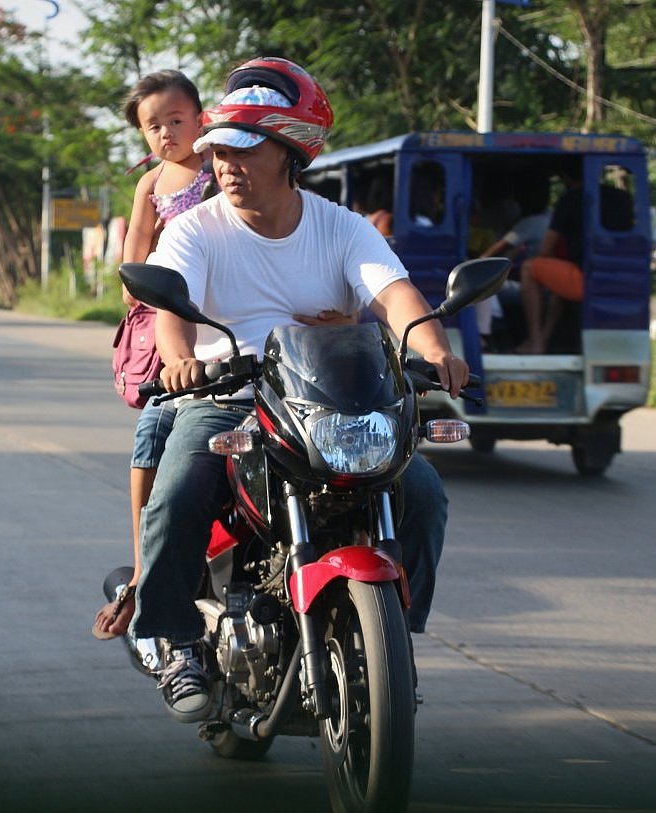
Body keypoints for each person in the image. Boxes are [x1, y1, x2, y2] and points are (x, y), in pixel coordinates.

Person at [129, 57, 468, 723]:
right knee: (178, 488)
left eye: (244, 150)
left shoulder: (340, 227)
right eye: (218, 150)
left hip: (330, 401)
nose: (225, 164)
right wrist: (177, 360)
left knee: (422, 489)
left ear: (289, 154)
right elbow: (170, 309)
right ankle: (172, 636)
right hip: (230, 394)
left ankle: (394, 636)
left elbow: (394, 294)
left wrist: (435, 349)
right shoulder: (197, 227)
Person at [92, 70, 213, 640]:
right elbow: (129, 273)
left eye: (176, 120)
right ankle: (144, 563)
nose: (166, 134)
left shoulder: (226, 168)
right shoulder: (150, 186)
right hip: (176, 329)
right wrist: (162, 277)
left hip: (236, 322)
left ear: (200, 116)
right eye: (152, 126)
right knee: (151, 438)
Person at [516, 161, 634, 354]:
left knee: (529, 268)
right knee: (557, 292)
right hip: (620, 280)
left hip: (585, 279)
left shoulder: (570, 199)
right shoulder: (621, 197)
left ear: (566, 178)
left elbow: (546, 249)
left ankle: (535, 341)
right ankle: (545, 340)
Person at [473, 173, 551, 340]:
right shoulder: (550, 217)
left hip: (531, 287)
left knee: (480, 285)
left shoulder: (530, 222)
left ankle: (484, 338)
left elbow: (493, 253)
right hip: (547, 285)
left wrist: (471, 264)